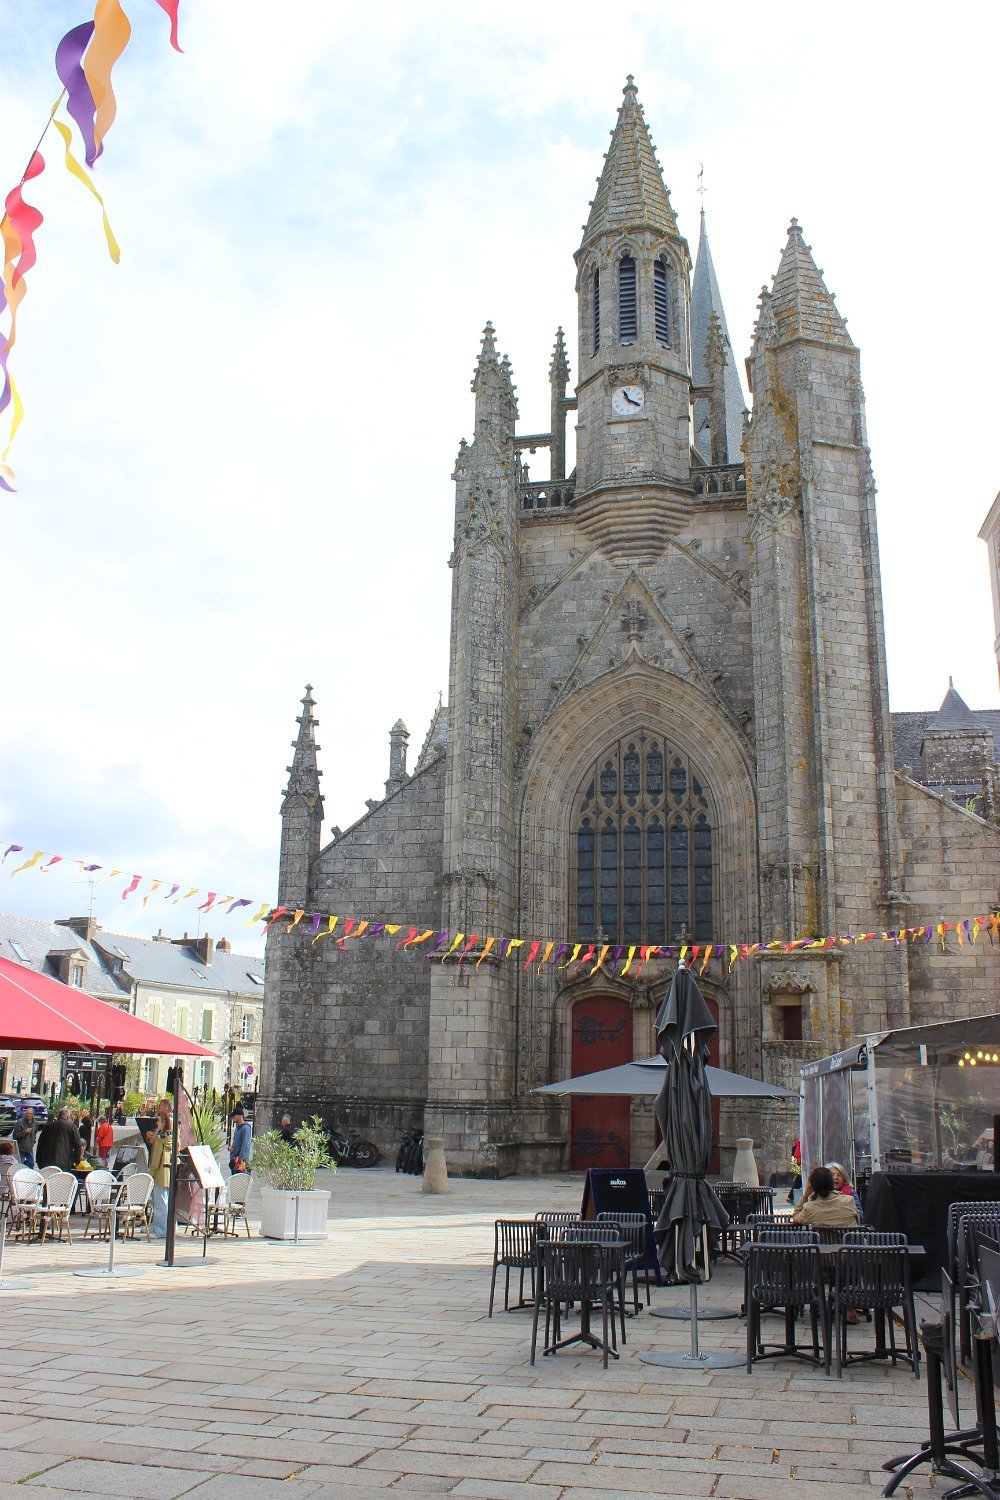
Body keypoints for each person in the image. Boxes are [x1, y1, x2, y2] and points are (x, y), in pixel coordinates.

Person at [792, 1165, 859, 1228]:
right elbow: (858, 1221)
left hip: (824, 1237)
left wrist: (805, 1196)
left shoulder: (809, 1208)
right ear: (831, 1183)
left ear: (812, 1186)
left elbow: (795, 1219)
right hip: (850, 1236)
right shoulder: (849, 1200)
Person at [146, 1099, 173, 1238]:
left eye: (158, 1122)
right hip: (168, 1173)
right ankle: (168, 1228)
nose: (157, 1124)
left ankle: (160, 1230)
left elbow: (156, 1158)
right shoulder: (171, 1137)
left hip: (159, 1174)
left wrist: (151, 1172)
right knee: (166, 1203)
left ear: (163, 1123)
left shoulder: (160, 1139)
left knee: (159, 1205)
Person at [35, 1107, 85, 1172]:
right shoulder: (72, 1127)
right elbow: (77, 1145)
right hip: (64, 1162)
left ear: (58, 1116)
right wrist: (77, 1160)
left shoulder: (48, 1126)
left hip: (46, 1162)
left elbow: (40, 1144)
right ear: (67, 1117)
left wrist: (38, 1160)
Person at [230, 1108, 252, 1174]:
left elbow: (245, 1145)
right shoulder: (237, 1127)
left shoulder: (245, 1128)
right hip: (234, 1160)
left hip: (241, 1163)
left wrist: (241, 1160)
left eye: (234, 1116)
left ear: (239, 1116)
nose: (232, 1118)